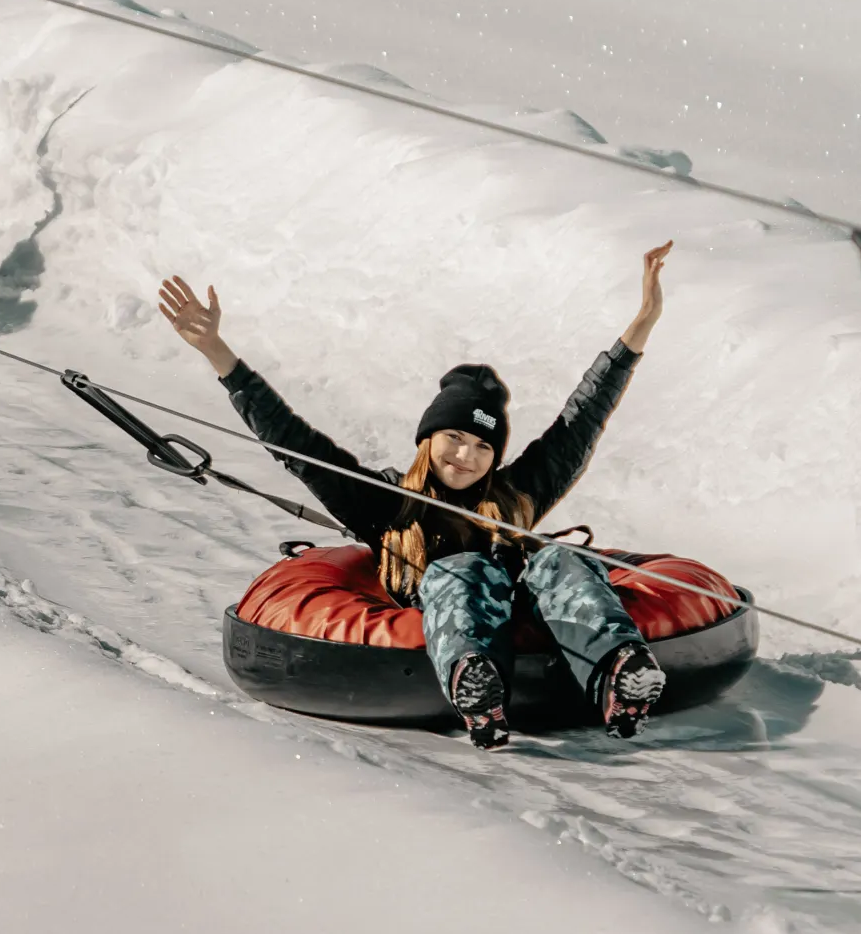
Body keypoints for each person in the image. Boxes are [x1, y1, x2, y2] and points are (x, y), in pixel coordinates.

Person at [157, 244, 675, 748]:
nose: (465, 456)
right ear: (428, 440)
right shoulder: (385, 502)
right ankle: (477, 688)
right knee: (461, 569)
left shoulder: (517, 495)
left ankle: (620, 676)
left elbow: (579, 422)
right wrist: (219, 355)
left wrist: (641, 325)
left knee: (560, 559)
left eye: (481, 446)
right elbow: (293, 441)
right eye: (454, 437)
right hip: (451, 607)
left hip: (525, 608)